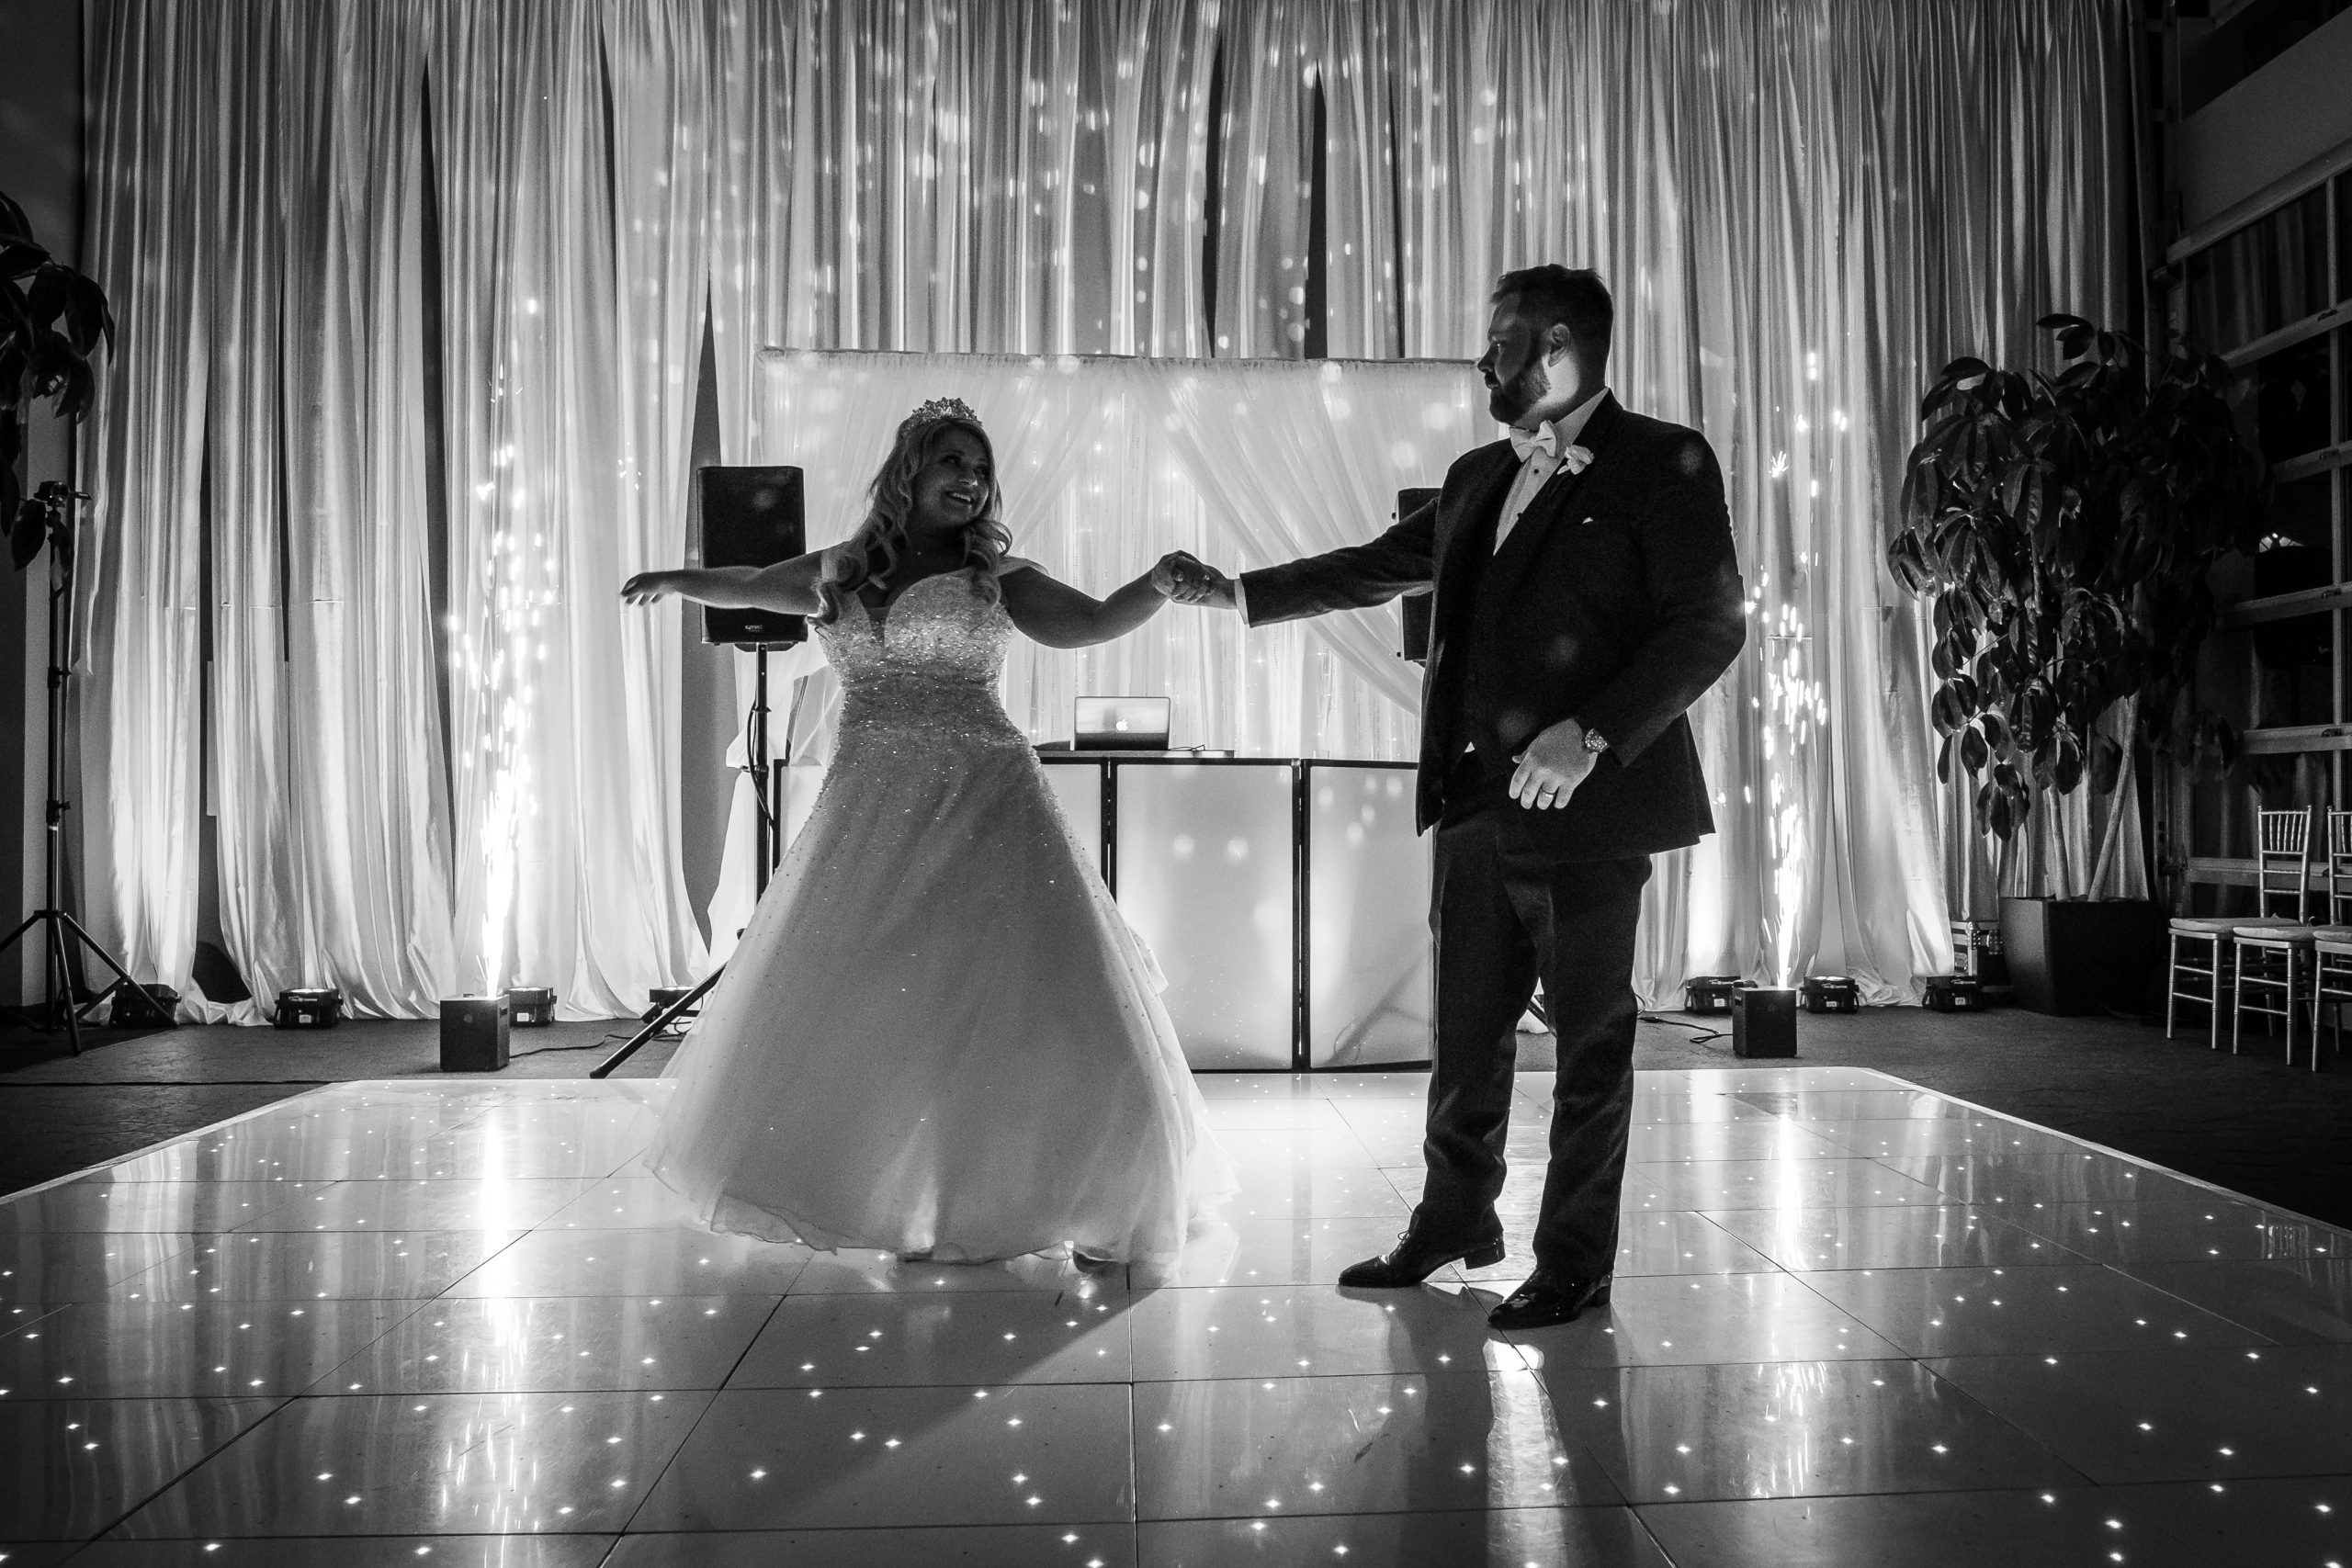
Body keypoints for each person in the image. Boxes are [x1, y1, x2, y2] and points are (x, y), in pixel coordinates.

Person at [1159, 265, 1745, 1328]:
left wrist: (1595, 733)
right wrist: (1237, 592)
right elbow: (1381, 565)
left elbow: (1708, 626)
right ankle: (1454, 1223)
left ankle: (1573, 1261)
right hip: (1474, 802)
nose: (1483, 362)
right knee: (1466, 1038)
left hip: (1591, 810)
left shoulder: (1664, 460)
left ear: (1557, 344)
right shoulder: (1477, 471)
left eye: (1500, 342)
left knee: (1587, 1043)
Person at [621, 397, 1232, 1279]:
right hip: (869, 807)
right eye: (952, 462)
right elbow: (754, 585)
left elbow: (1090, 621)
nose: (970, 480)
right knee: (882, 1004)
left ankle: (1101, 1194)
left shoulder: (997, 575)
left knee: (1031, 1002)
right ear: (910, 471)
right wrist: (679, 581)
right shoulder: (839, 568)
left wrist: (1154, 586)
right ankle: (900, 1193)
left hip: (987, 798)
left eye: (980, 469)